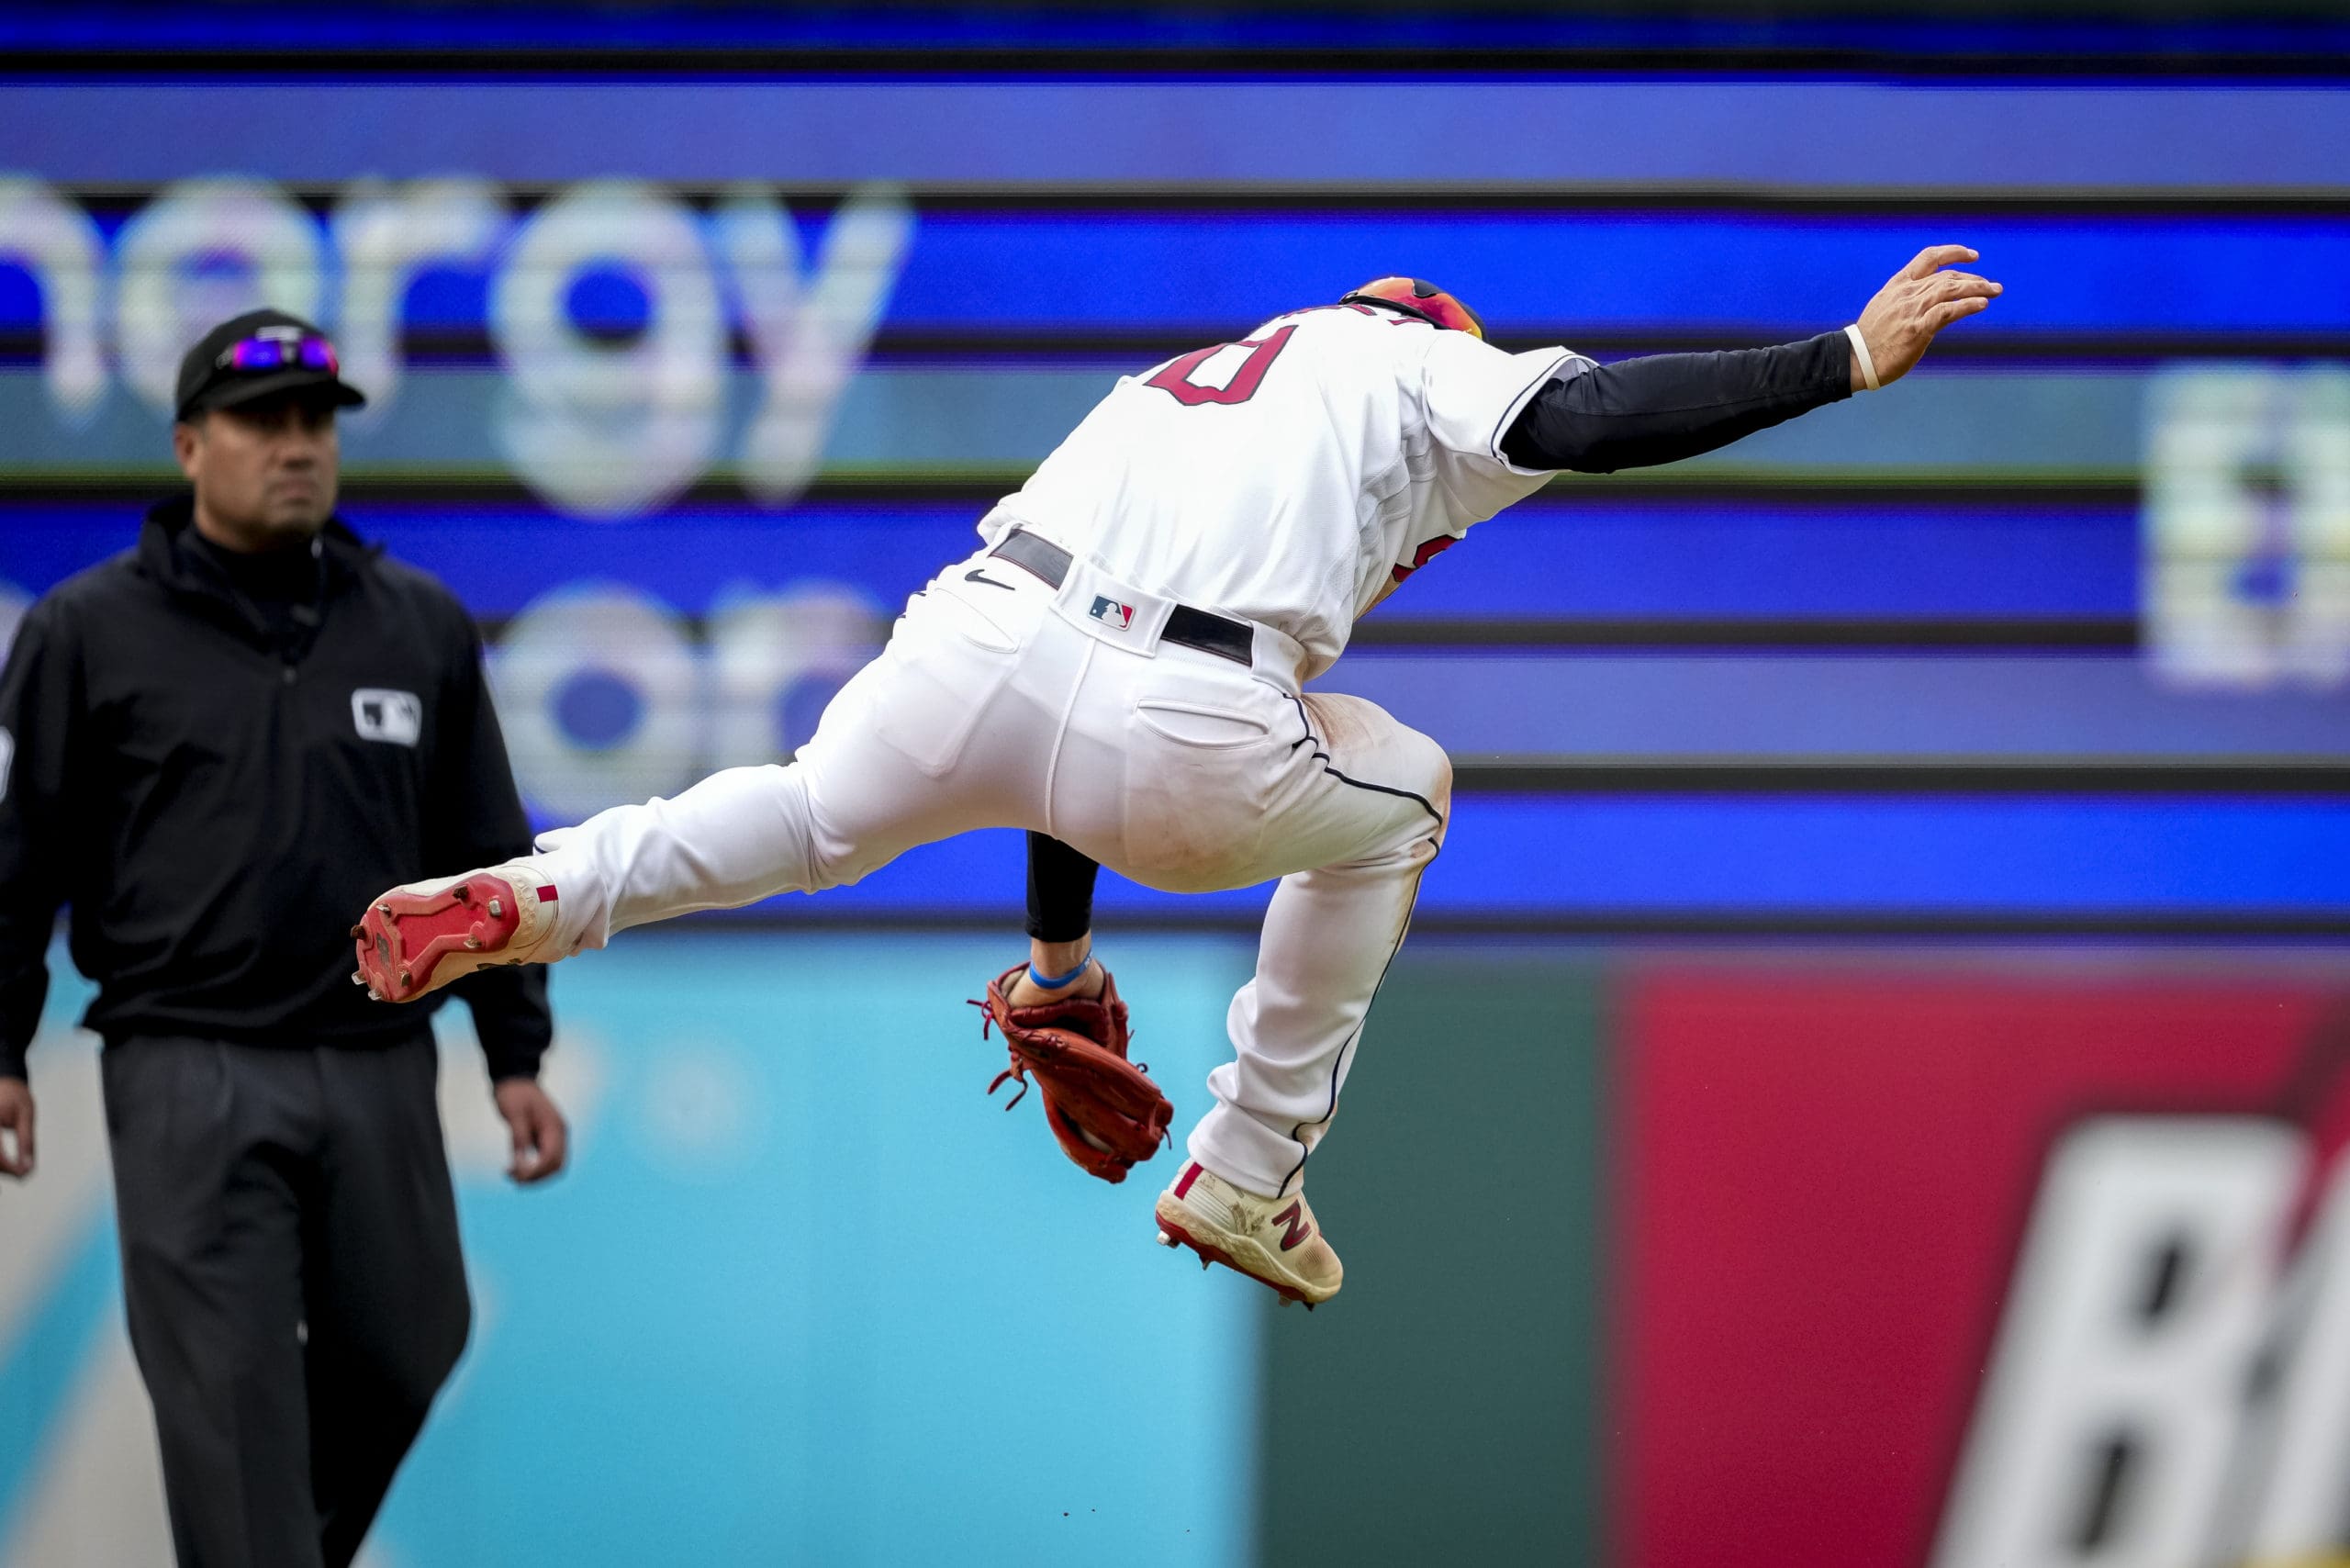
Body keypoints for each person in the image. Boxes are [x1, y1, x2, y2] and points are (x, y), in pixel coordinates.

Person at [350, 249, 1998, 1308]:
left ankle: (532, 892)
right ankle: (1255, 1164)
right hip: (1195, 704)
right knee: (1407, 794)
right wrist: (1838, 359)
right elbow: (1589, 416)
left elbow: (1054, 737)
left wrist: (1063, 966)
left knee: (799, 814)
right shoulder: (1404, 359)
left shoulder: (1169, 389)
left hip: (989, 629)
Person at [0, 308, 568, 1568]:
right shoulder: (86, 634)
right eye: (262, 422)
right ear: (191, 445)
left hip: (376, 1061)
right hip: (185, 1066)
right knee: (234, 1402)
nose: (297, 445)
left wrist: (515, 1051)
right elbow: (18, 856)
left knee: (413, 1342)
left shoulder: (417, 627)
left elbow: (485, 857)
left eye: (316, 420)